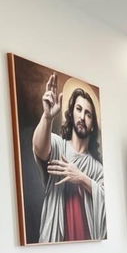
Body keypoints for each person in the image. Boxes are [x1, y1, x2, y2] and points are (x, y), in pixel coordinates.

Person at [32, 72, 106, 243]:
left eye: (88, 114)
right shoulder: (58, 145)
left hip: (87, 243)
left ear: (93, 123)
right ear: (71, 113)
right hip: (56, 239)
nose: (82, 117)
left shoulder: (97, 168)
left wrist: (80, 177)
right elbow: (39, 147)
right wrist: (48, 117)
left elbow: (105, 201)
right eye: (79, 109)